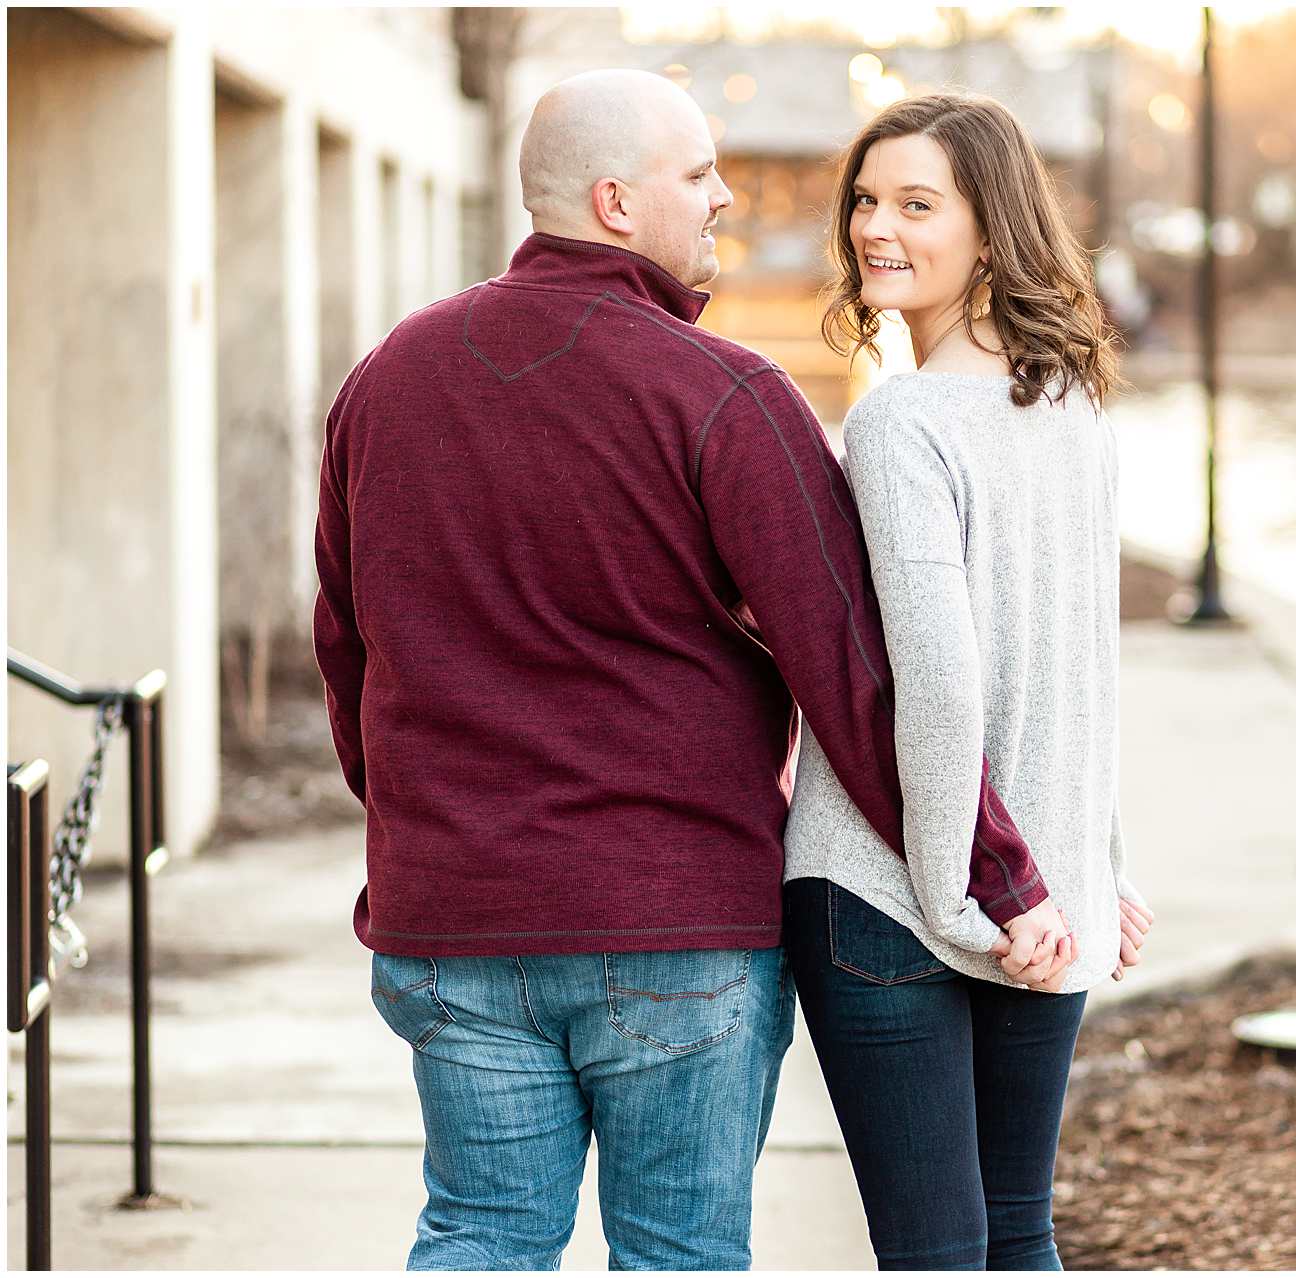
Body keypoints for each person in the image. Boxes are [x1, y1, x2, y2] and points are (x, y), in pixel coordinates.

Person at [313, 70, 1073, 1271]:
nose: (723, 197)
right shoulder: (724, 394)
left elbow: (346, 646)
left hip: (452, 918)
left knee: (479, 1235)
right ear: (616, 202)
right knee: (678, 1255)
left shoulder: (387, 379)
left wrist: (432, 829)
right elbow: (855, 678)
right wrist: (1002, 874)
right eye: (697, 175)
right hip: (673, 925)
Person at [781, 92, 1156, 1271]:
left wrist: (964, 898)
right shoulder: (1077, 407)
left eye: (915, 204)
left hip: (898, 890)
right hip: (1032, 892)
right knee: (1016, 1235)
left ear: (990, 228)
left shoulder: (901, 421)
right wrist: (1086, 866)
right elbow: (1082, 667)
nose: (873, 228)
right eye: (864, 201)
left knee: (938, 1254)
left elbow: (944, 685)